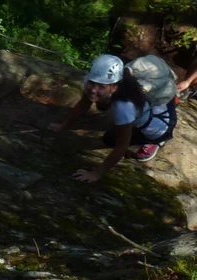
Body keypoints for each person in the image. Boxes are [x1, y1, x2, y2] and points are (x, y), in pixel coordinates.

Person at [48, 54, 178, 183]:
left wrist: (96, 174)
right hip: (155, 109)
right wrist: (63, 125)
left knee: (110, 140)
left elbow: (122, 146)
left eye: (101, 87)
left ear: (114, 87)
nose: (93, 90)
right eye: (92, 84)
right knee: (117, 123)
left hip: (162, 126)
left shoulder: (123, 107)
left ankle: (156, 141)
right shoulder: (95, 80)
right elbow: (84, 103)